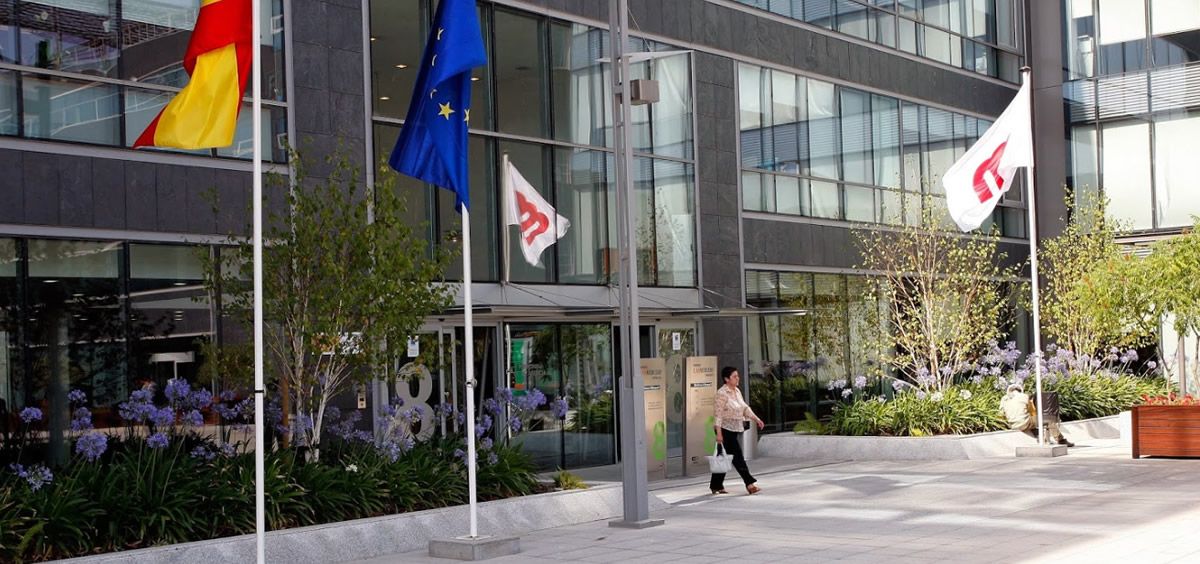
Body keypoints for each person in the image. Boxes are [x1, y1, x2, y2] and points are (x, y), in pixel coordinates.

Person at [711, 366, 765, 495]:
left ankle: (716, 485)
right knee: (737, 456)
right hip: (724, 429)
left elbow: (744, 408)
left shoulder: (736, 391)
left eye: (737, 376)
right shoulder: (721, 393)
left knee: (723, 458)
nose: (737, 378)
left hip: (734, 428)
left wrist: (756, 419)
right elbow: (718, 415)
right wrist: (719, 434)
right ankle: (749, 484)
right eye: (734, 376)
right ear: (726, 379)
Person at [999, 384, 1073, 446]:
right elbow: (1032, 411)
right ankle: (1061, 440)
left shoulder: (1004, 398)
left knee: (1031, 421)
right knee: (1049, 420)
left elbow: (1001, 414)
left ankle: (1040, 436)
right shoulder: (1024, 396)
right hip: (1024, 423)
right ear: (1020, 390)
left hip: (1012, 425)